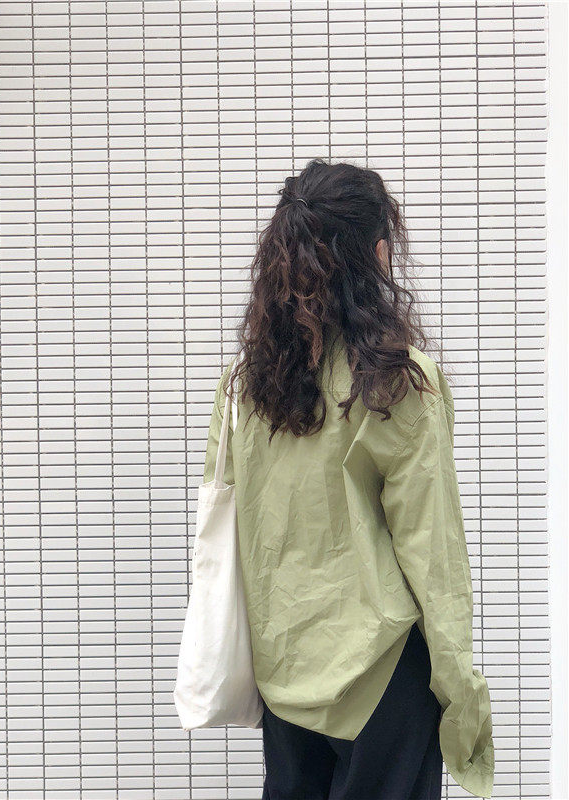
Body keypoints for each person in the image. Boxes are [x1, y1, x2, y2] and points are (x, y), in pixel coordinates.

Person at [202, 159, 494, 799]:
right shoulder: (396, 383)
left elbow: (238, 529)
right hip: (382, 675)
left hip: (284, 675)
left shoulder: (246, 387)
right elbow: (433, 551)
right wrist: (461, 692)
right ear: (376, 255)